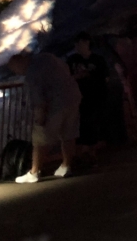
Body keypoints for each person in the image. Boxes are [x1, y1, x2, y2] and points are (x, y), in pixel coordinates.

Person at [6, 50, 82, 182]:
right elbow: (66, 68)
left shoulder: (32, 73)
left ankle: (34, 172)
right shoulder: (47, 57)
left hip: (55, 105)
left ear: (19, 63)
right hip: (72, 98)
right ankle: (66, 166)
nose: (17, 73)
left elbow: (39, 99)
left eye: (15, 69)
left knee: (39, 139)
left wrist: (39, 118)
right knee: (68, 134)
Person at [66, 33, 108, 162]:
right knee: (79, 126)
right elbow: (66, 78)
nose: (77, 46)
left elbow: (105, 77)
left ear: (87, 42)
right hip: (77, 97)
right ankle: (78, 155)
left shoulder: (98, 59)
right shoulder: (72, 60)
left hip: (94, 96)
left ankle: (91, 153)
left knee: (92, 125)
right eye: (76, 44)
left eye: (79, 43)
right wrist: (77, 77)